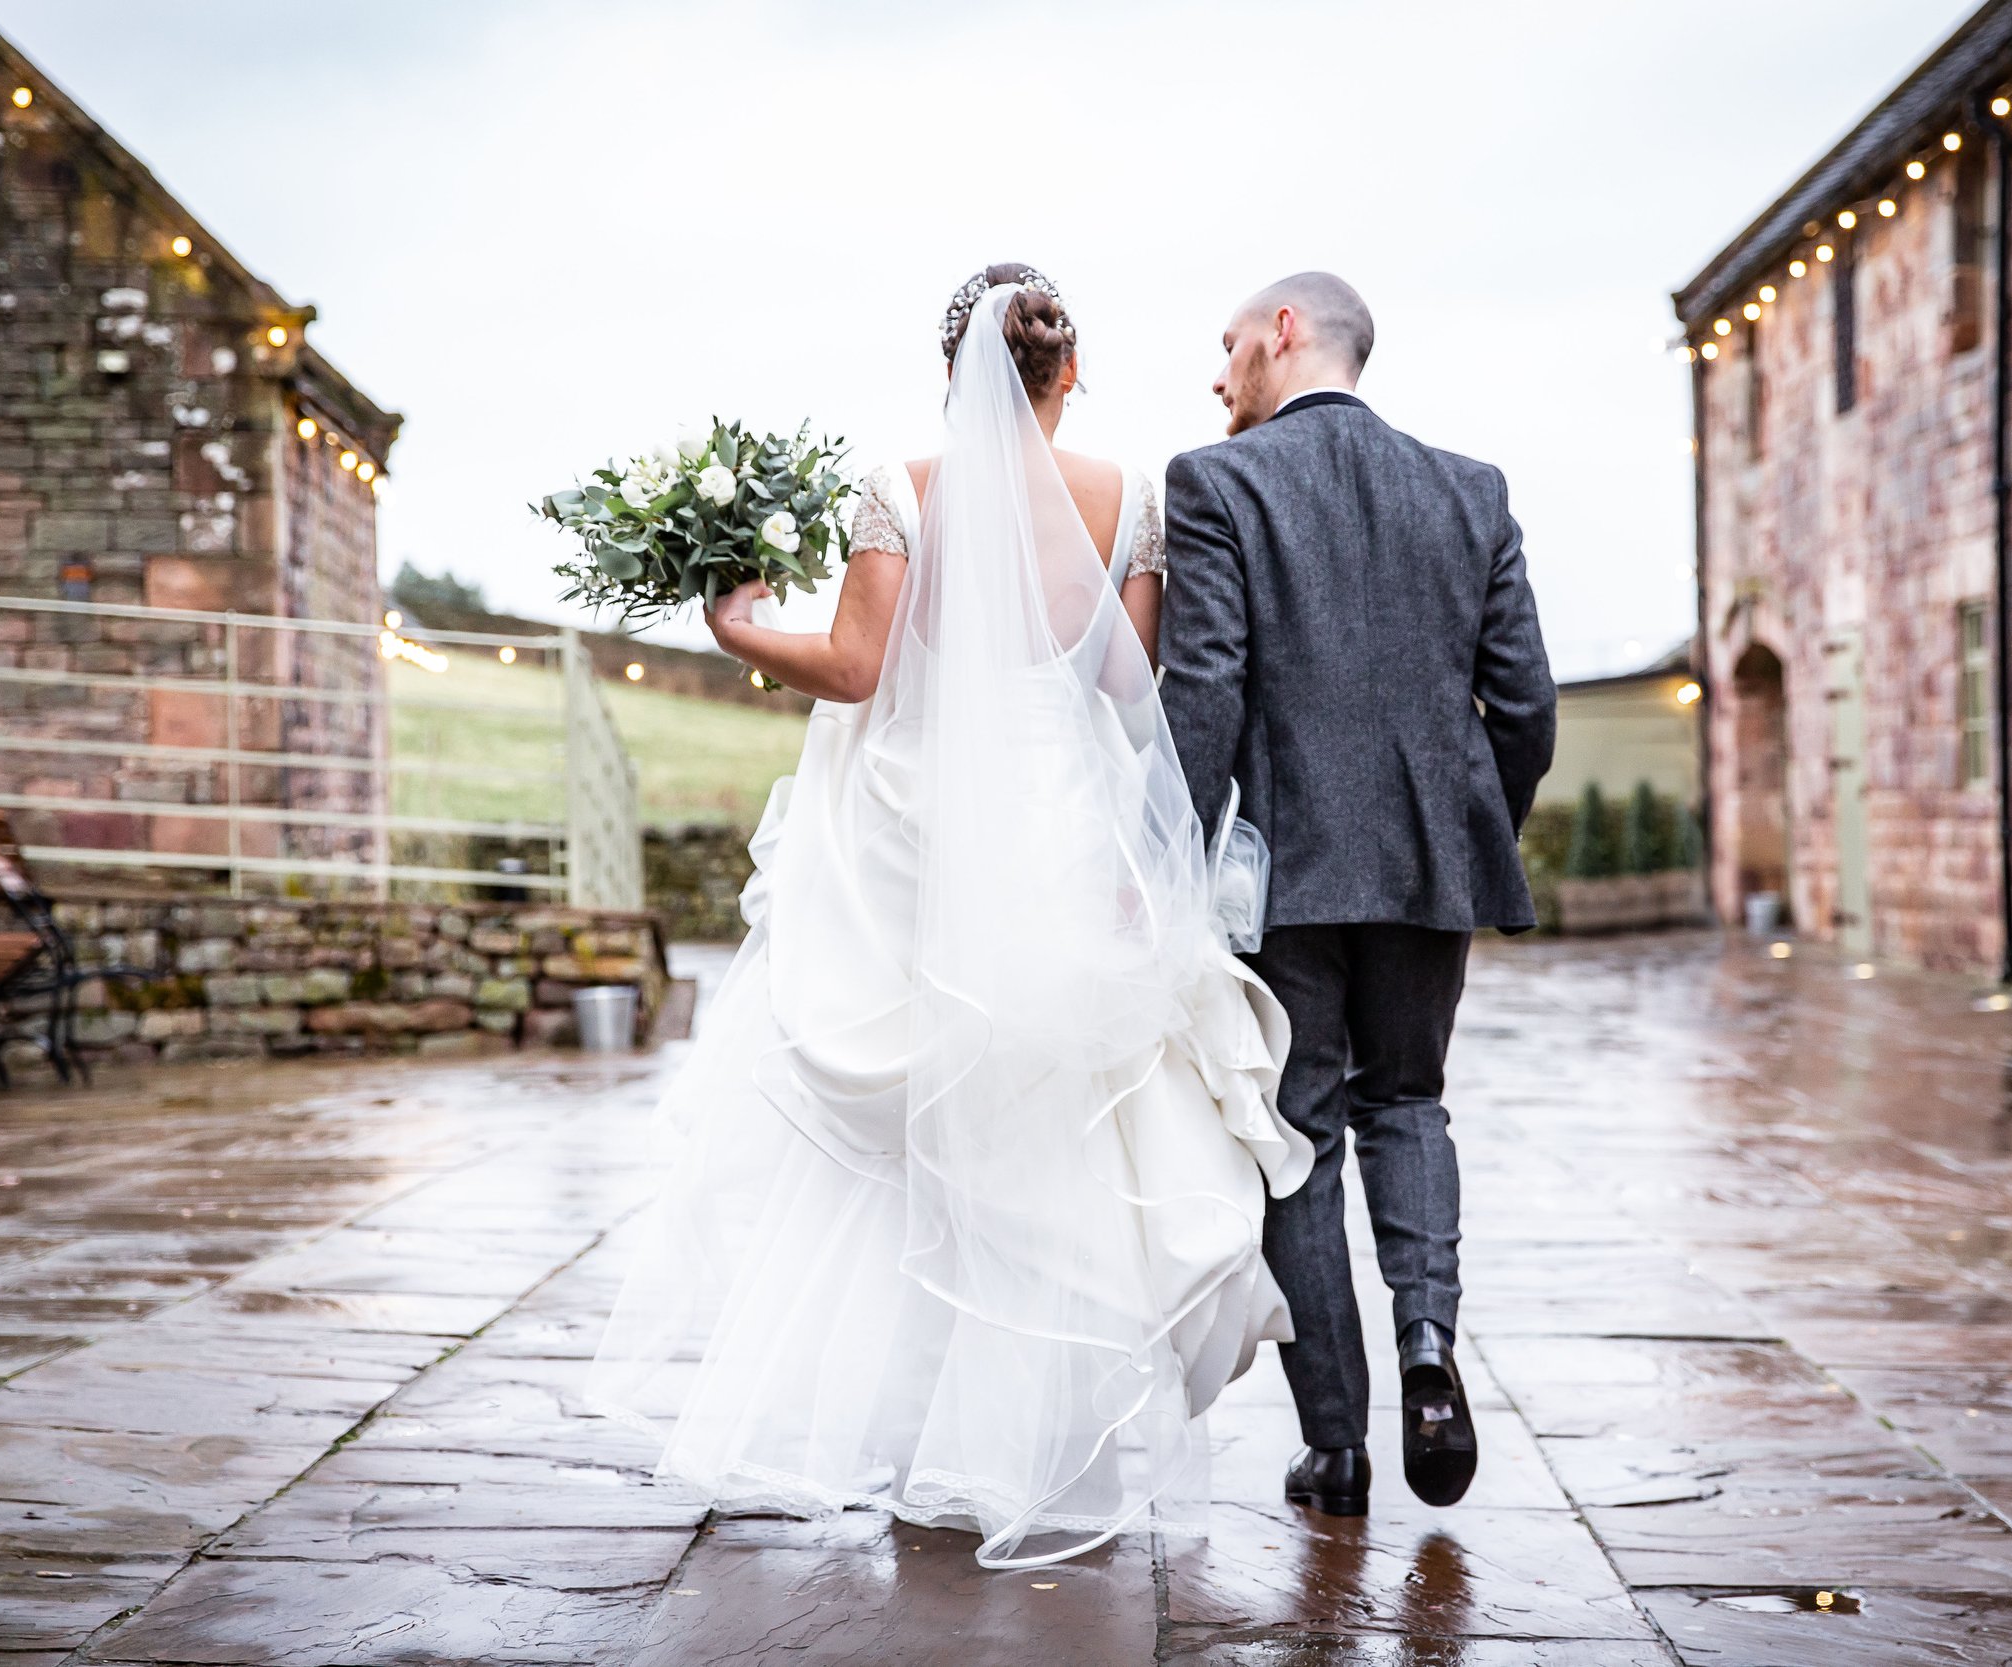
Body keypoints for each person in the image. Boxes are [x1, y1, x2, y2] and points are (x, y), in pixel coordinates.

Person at [585, 266, 1310, 1570]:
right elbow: (1125, 694)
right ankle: (1028, 1446)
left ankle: (909, 1436)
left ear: (952, 368)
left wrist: (742, 629)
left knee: (909, 1138)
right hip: (1061, 818)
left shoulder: (903, 484)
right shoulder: (1126, 495)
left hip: (922, 825)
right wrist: (1142, 851)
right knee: (1050, 1134)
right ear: (1066, 373)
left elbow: (859, 668)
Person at [1159, 273, 1557, 1516]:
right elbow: (1527, 704)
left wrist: (1169, 856)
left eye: (1228, 345)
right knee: (1413, 1106)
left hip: (1283, 876)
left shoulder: (1216, 483)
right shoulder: (1470, 488)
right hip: (1428, 865)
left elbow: (1206, 691)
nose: (1218, 375)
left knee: (1300, 1141)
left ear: (1285, 331)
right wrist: (1463, 825)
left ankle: (1336, 1447)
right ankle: (1429, 1342)